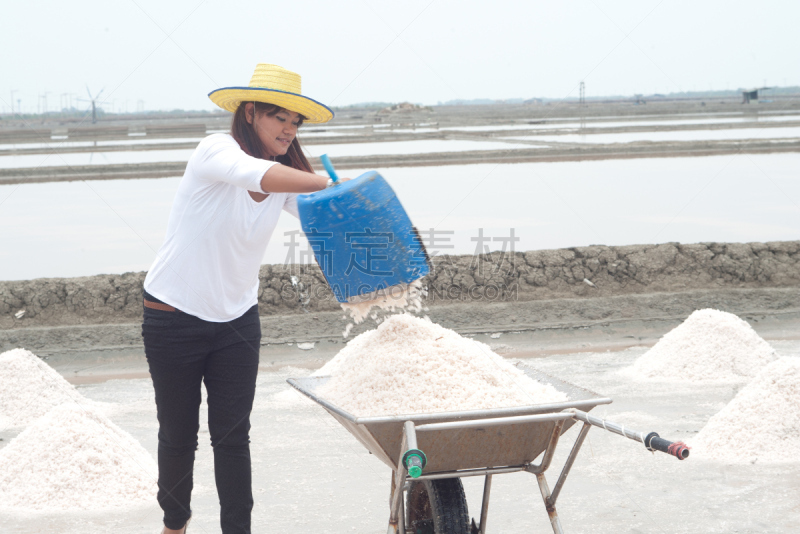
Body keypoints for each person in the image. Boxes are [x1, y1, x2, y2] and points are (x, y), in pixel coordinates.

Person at [142, 63, 338, 534]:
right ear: (250, 113)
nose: (290, 130)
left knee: (233, 437)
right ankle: (175, 525)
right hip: (173, 315)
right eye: (280, 119)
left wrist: (368, 237)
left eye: (296, 123)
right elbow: (260, 176)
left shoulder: (287, 174)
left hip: (236, 320)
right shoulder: (217, 151)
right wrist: (330, 182)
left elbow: (319, 218)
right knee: (178, 436)